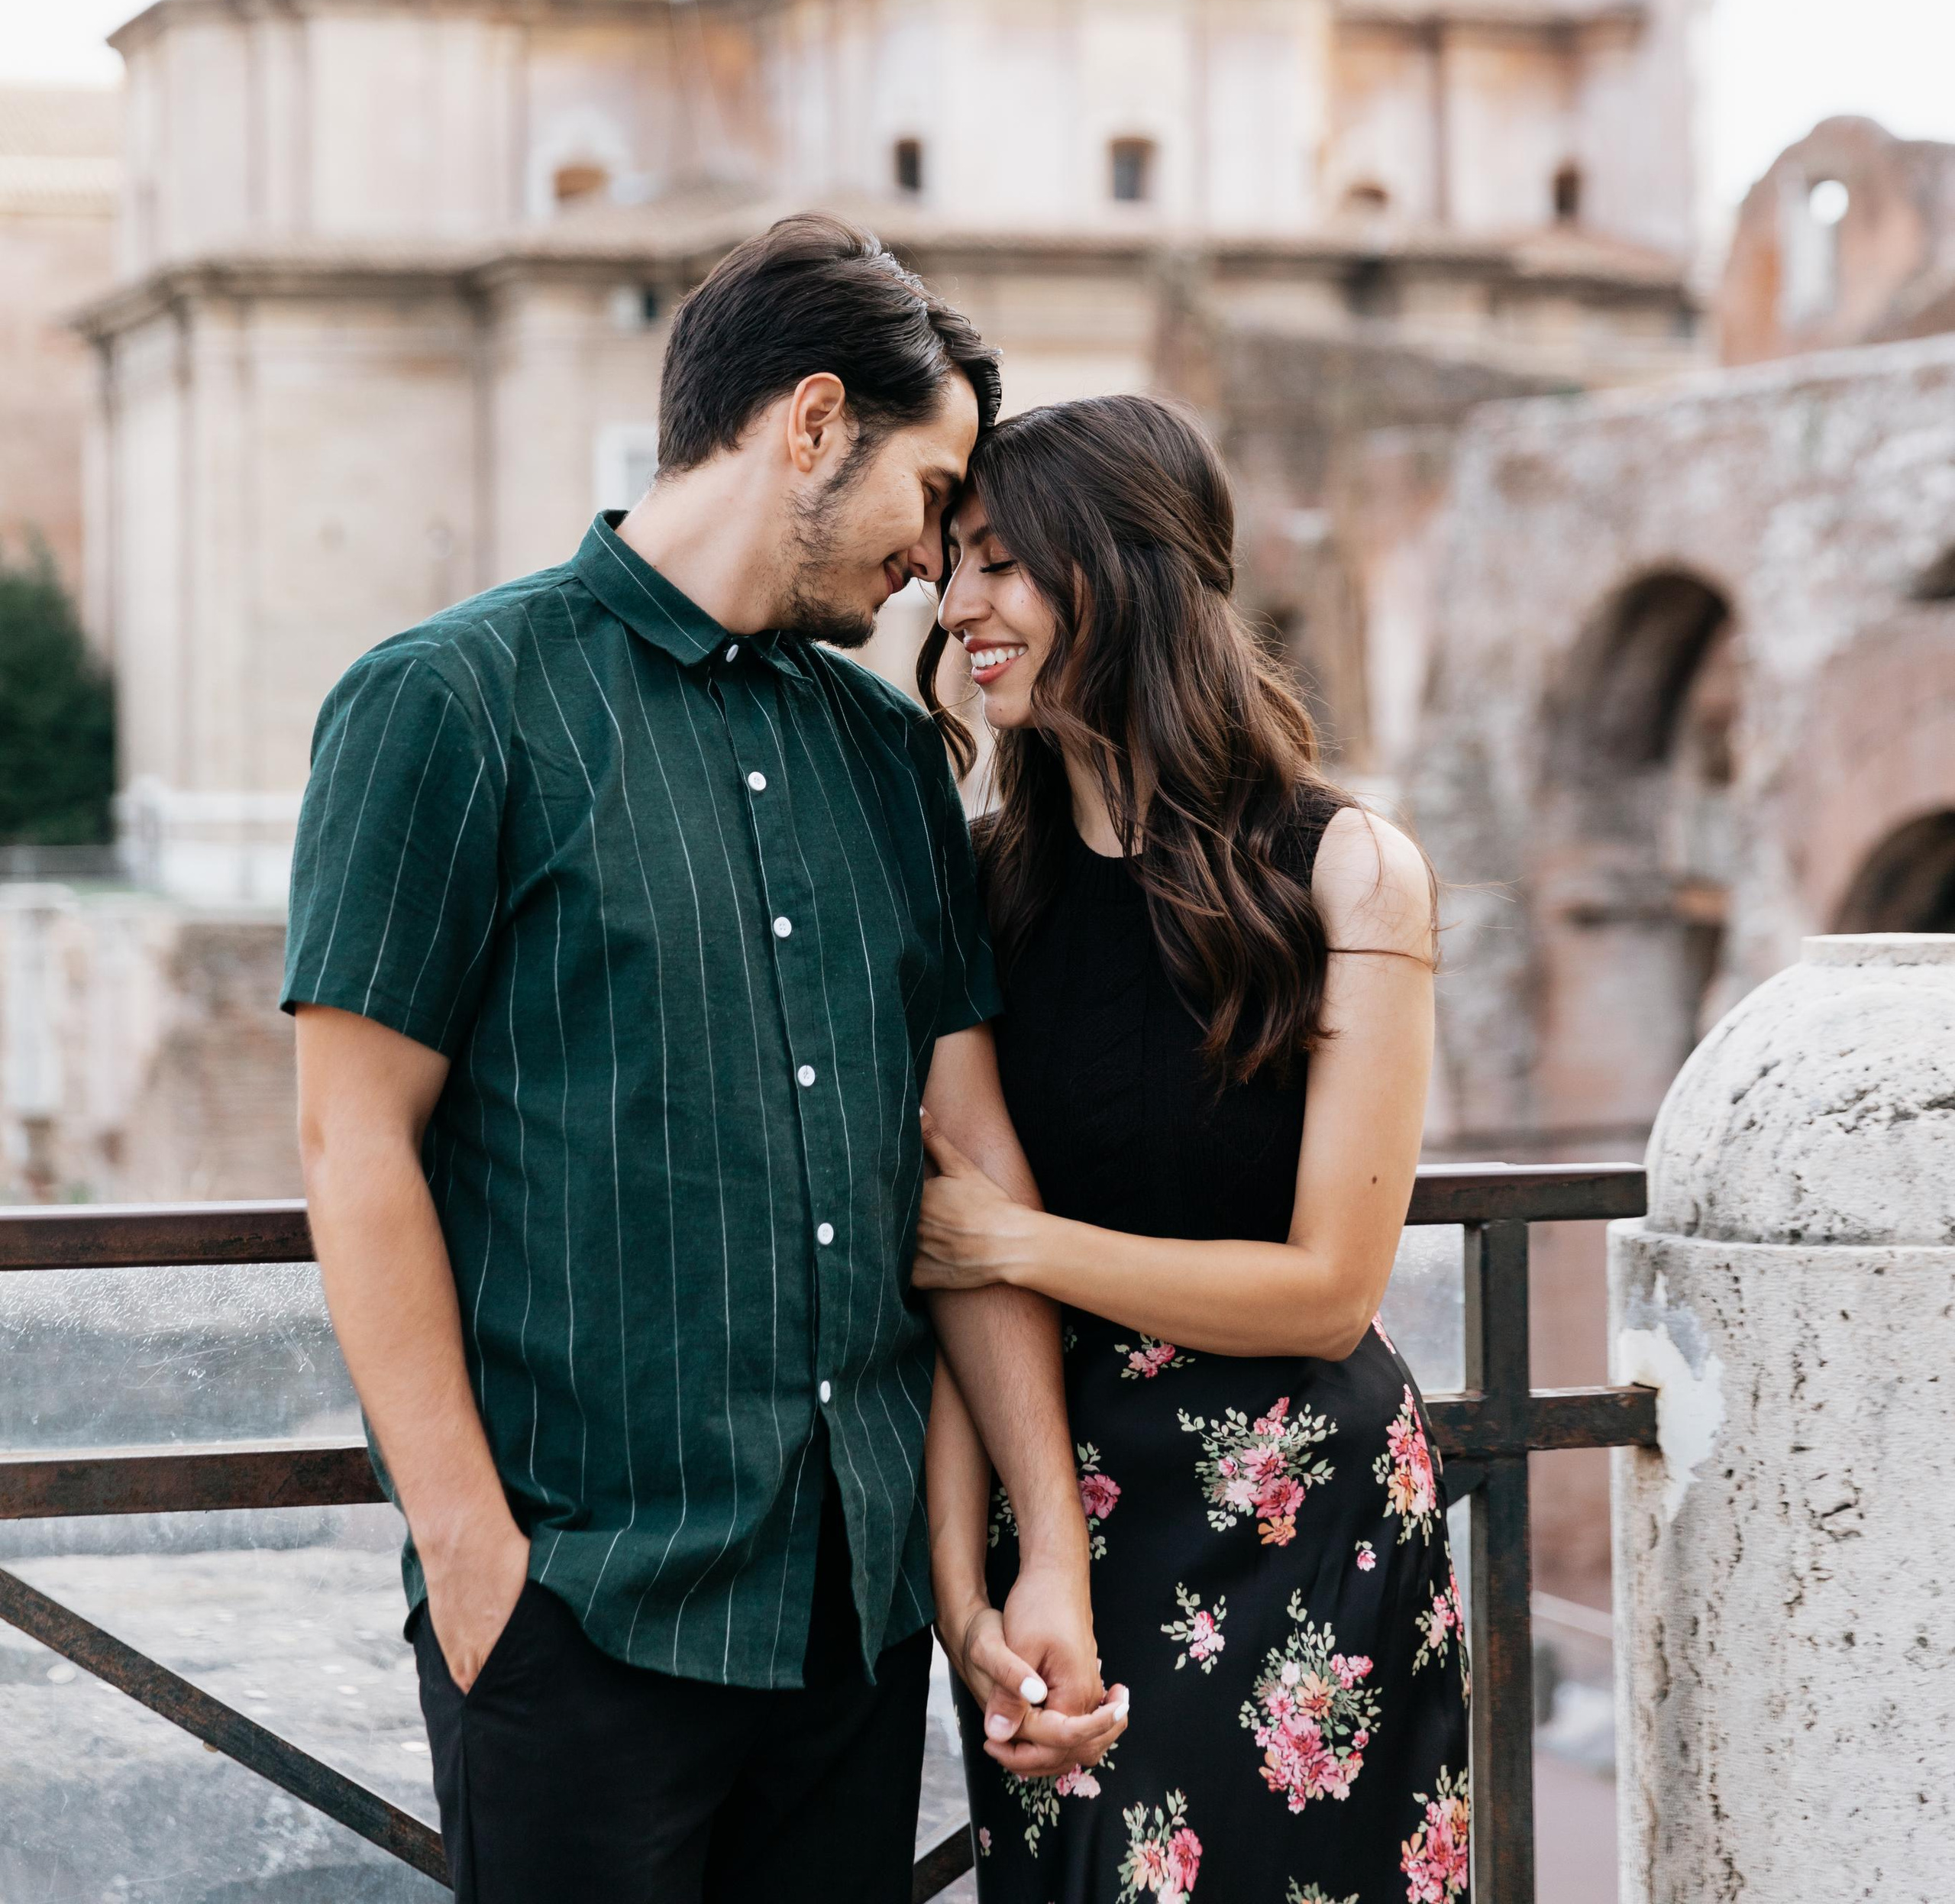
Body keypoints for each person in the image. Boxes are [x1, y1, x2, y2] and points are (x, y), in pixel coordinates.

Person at [283, 217, 1125, 1904]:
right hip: (578, 1615)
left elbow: (970, 1172)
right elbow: (349, 1142)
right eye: (933, 489)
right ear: (809, 423)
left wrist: (1047, 1561)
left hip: (851, 1620)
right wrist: (470, 1559)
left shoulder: (890, 759)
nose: (940, 558)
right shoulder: (448, 706)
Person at [916, 393, 1469, 1903]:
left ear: (1128, 569)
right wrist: (966, 1588)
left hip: (1305, 1527)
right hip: (1066, 1538)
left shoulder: (1347, 872)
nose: (957, 604)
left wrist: (1019, 1243)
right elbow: (954, 1286)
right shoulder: (981, 890)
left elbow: (1325, 1290)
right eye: (954, 565)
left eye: (1001, 564)